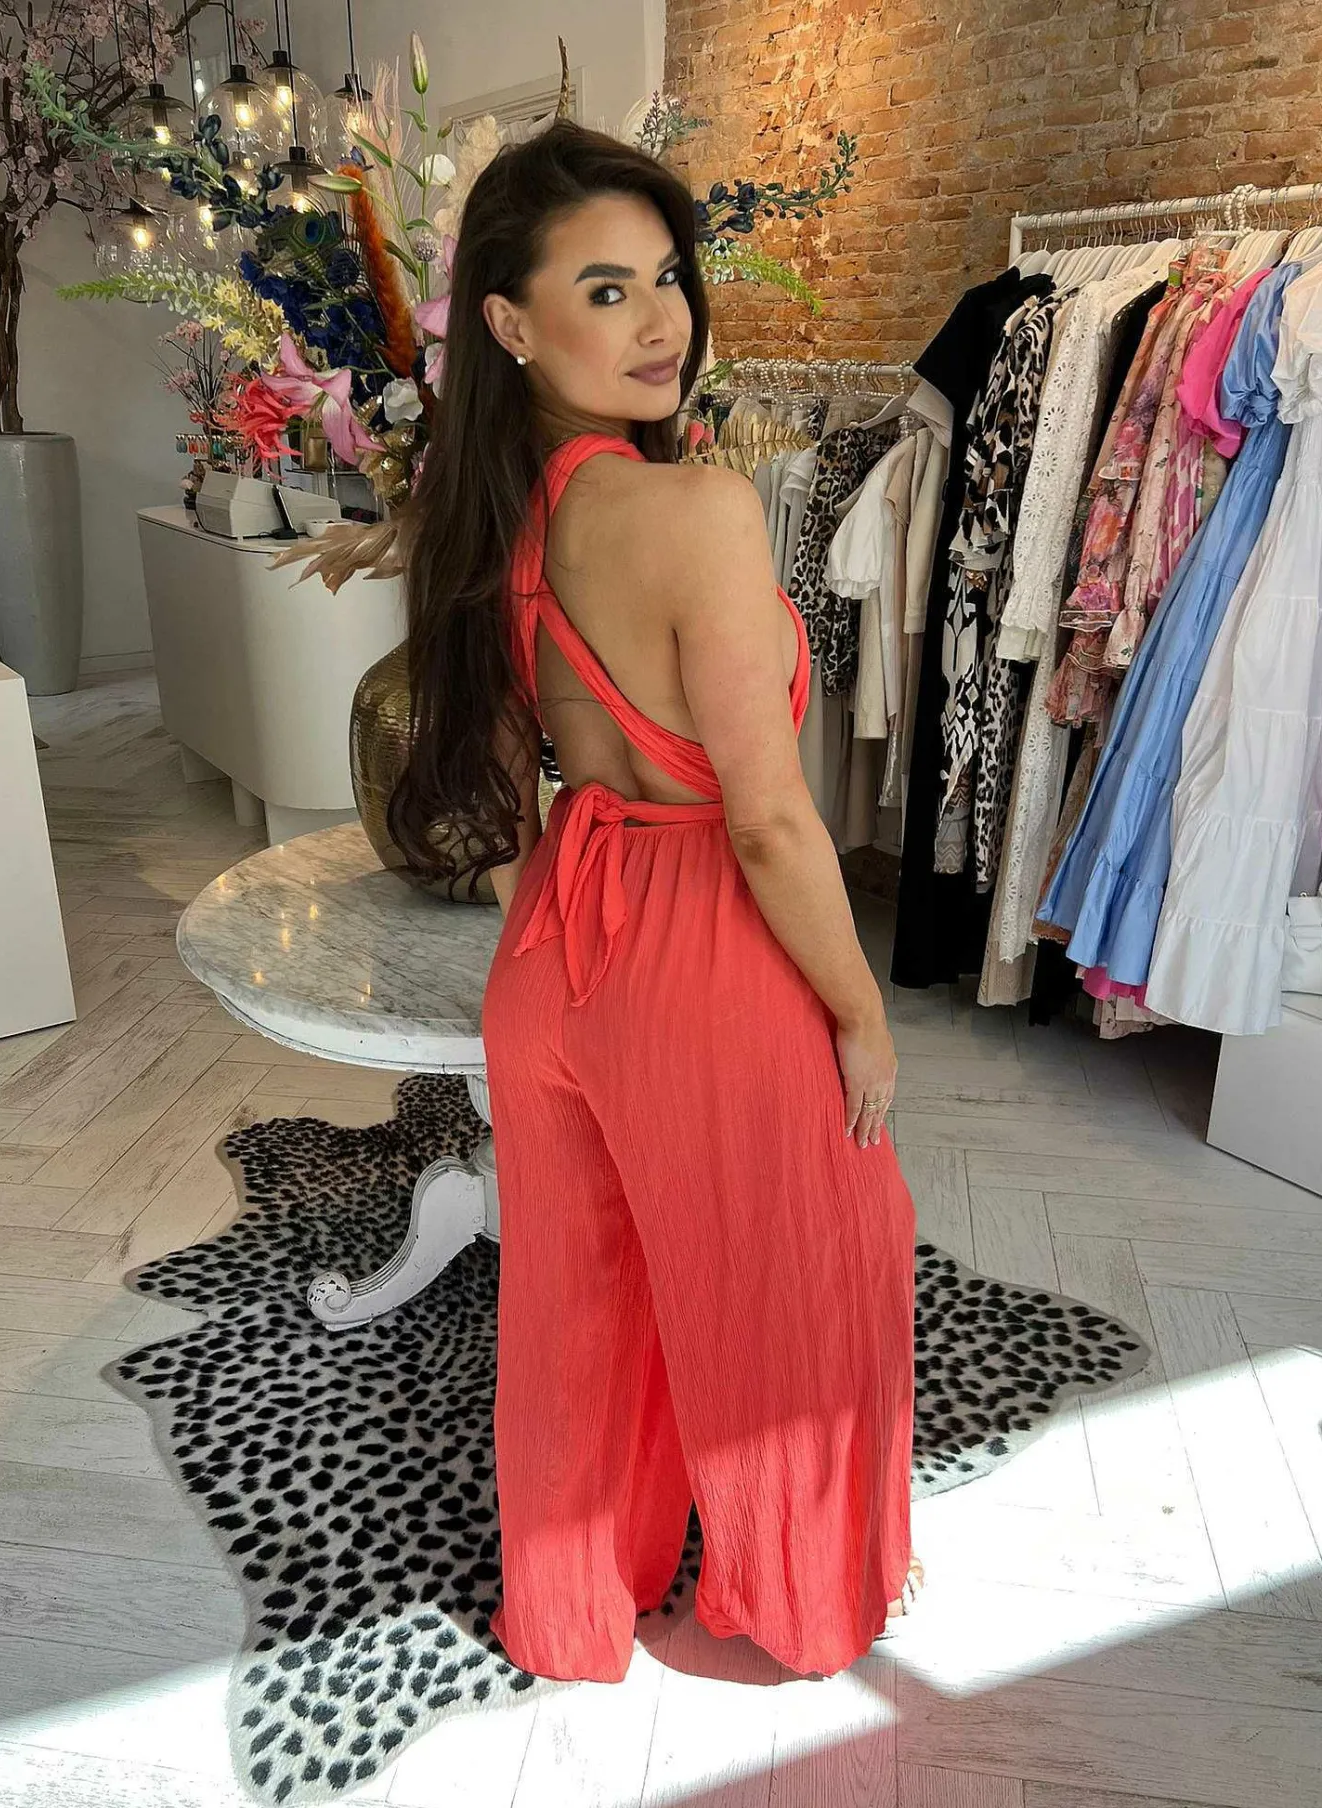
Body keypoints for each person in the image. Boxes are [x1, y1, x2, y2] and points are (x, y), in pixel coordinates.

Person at [391, 119, 918, 1685]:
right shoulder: (699, 512)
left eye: (667, 279)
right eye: (605, 290)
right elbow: (767, 819)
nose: (661, 320)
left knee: (576, 1299)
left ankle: (572, 1608)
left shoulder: (487, 521)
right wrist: (861, 1010)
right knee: (799, 1277)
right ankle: (790, 1606)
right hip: (700, 939)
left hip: (559, 939)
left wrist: (562, 927)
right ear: (509, 322)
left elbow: (507, 785)